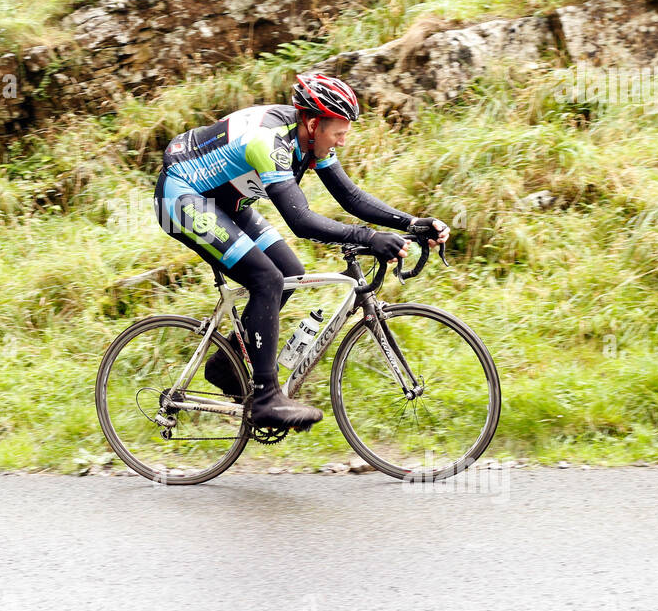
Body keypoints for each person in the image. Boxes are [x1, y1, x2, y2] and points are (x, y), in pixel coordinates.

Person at [152, 73, 450, 432]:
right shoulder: (269, 141)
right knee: (266, 278)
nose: (342, 140)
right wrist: (369, 238)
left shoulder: (309, 141)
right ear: (313, 122)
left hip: (226, 201)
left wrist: (412, 223)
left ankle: (225, 364)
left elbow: (350, 197)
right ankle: (266, 397)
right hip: (182, 195)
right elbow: (300, 220)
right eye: (337, 132)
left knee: (289, 272)